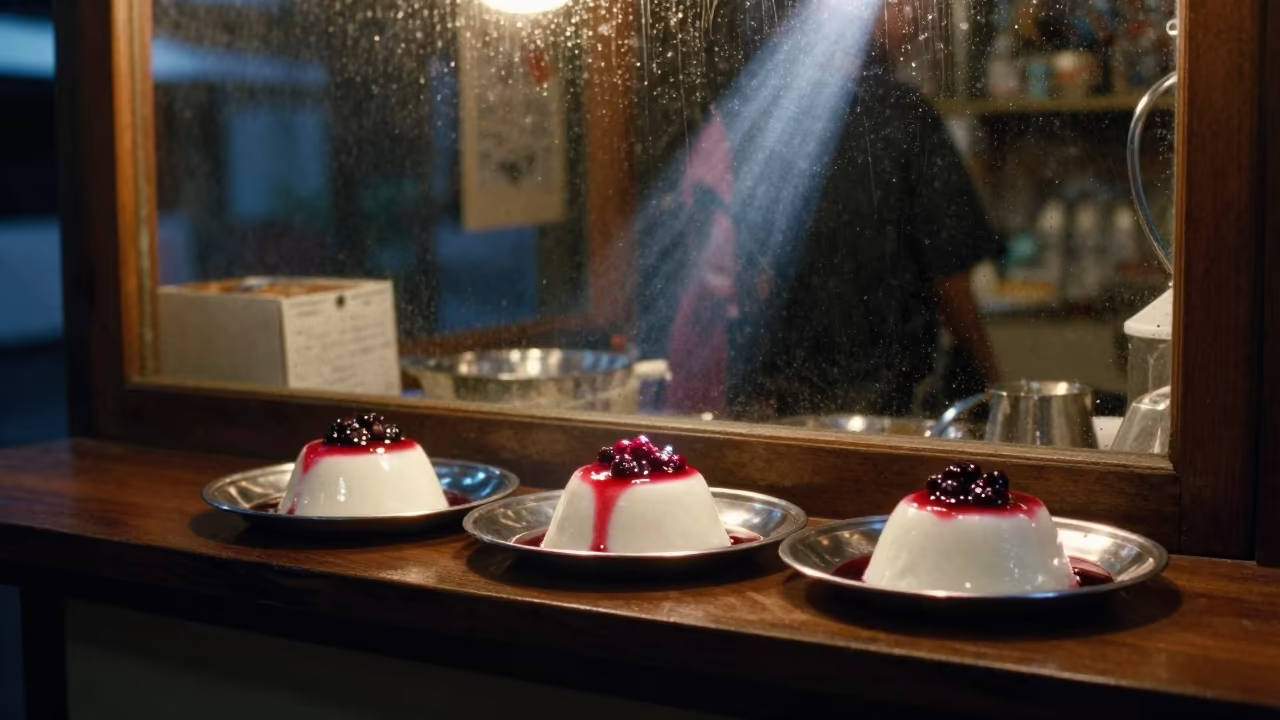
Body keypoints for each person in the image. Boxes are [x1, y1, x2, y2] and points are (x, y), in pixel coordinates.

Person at [641, 0, 1002, 421]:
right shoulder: (904, 118)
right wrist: (992, 379)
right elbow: (951, 275)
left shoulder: (750, 116)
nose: (914, 16)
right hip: (880, 405)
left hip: (767, 400)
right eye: (896, 5)